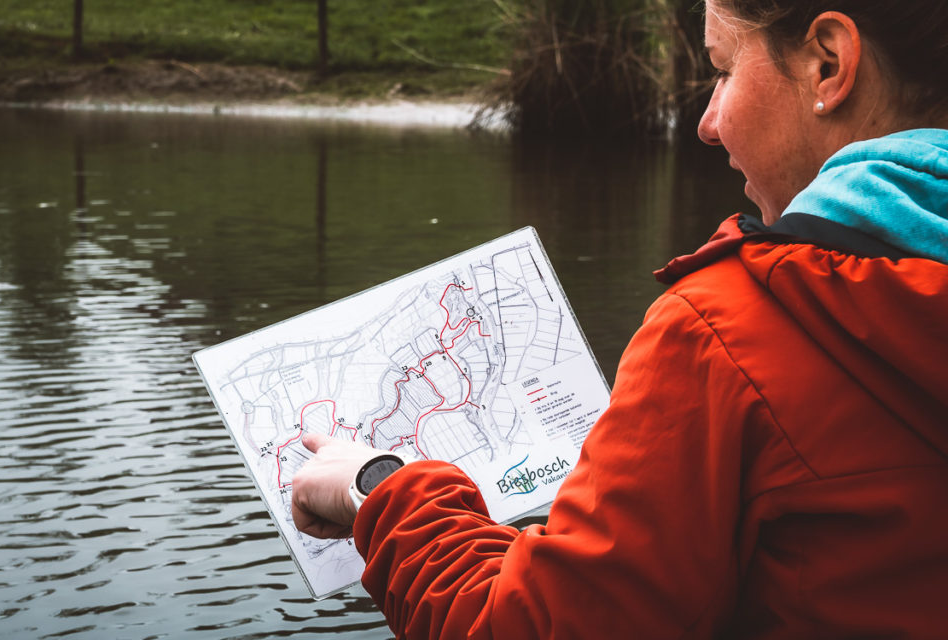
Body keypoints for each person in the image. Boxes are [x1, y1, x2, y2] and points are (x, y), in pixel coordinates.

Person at [291, 0, 948, 637]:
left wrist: (379, 491)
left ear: (828, 63)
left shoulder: (724, 333)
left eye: (723, 69)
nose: (708, 123)